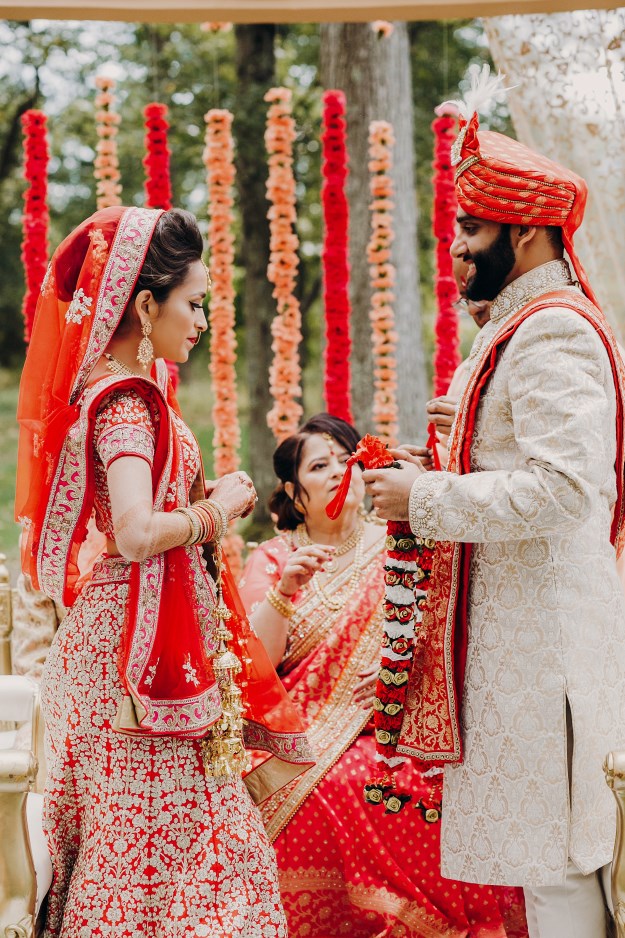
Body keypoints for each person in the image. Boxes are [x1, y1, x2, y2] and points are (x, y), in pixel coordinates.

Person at [362, 83, 625, 938]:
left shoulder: (550, 330)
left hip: (543, 650)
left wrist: (425, 496)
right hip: (518, 640)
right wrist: (455, 441)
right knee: (540, 862)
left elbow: (565, 487)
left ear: (526, 232)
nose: (457, 248)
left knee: (558, 863)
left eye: (471, 231)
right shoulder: (516, 326)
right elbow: (530, 454)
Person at [15, 205, 312, 937]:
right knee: (156, 853)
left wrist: (199, 502)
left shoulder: (120, 392)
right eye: (194, 301)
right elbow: (137, 532)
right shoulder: (125, 403)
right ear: (146, 305)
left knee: (161, 853)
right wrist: (222, 511)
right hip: (132, 668)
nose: (203, 318)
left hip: (137, 650)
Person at [239, 413, 528, 938]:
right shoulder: (274, 556)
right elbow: (254, 663)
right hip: (301, 730)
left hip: (397, 722)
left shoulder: (402, 542)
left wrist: (406, 676)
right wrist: (284, 591)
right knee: (330, 784)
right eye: (319, 465)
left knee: (418, 784)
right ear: (292, 491)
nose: (336, 472)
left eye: (346, 460)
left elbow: (444, 630)